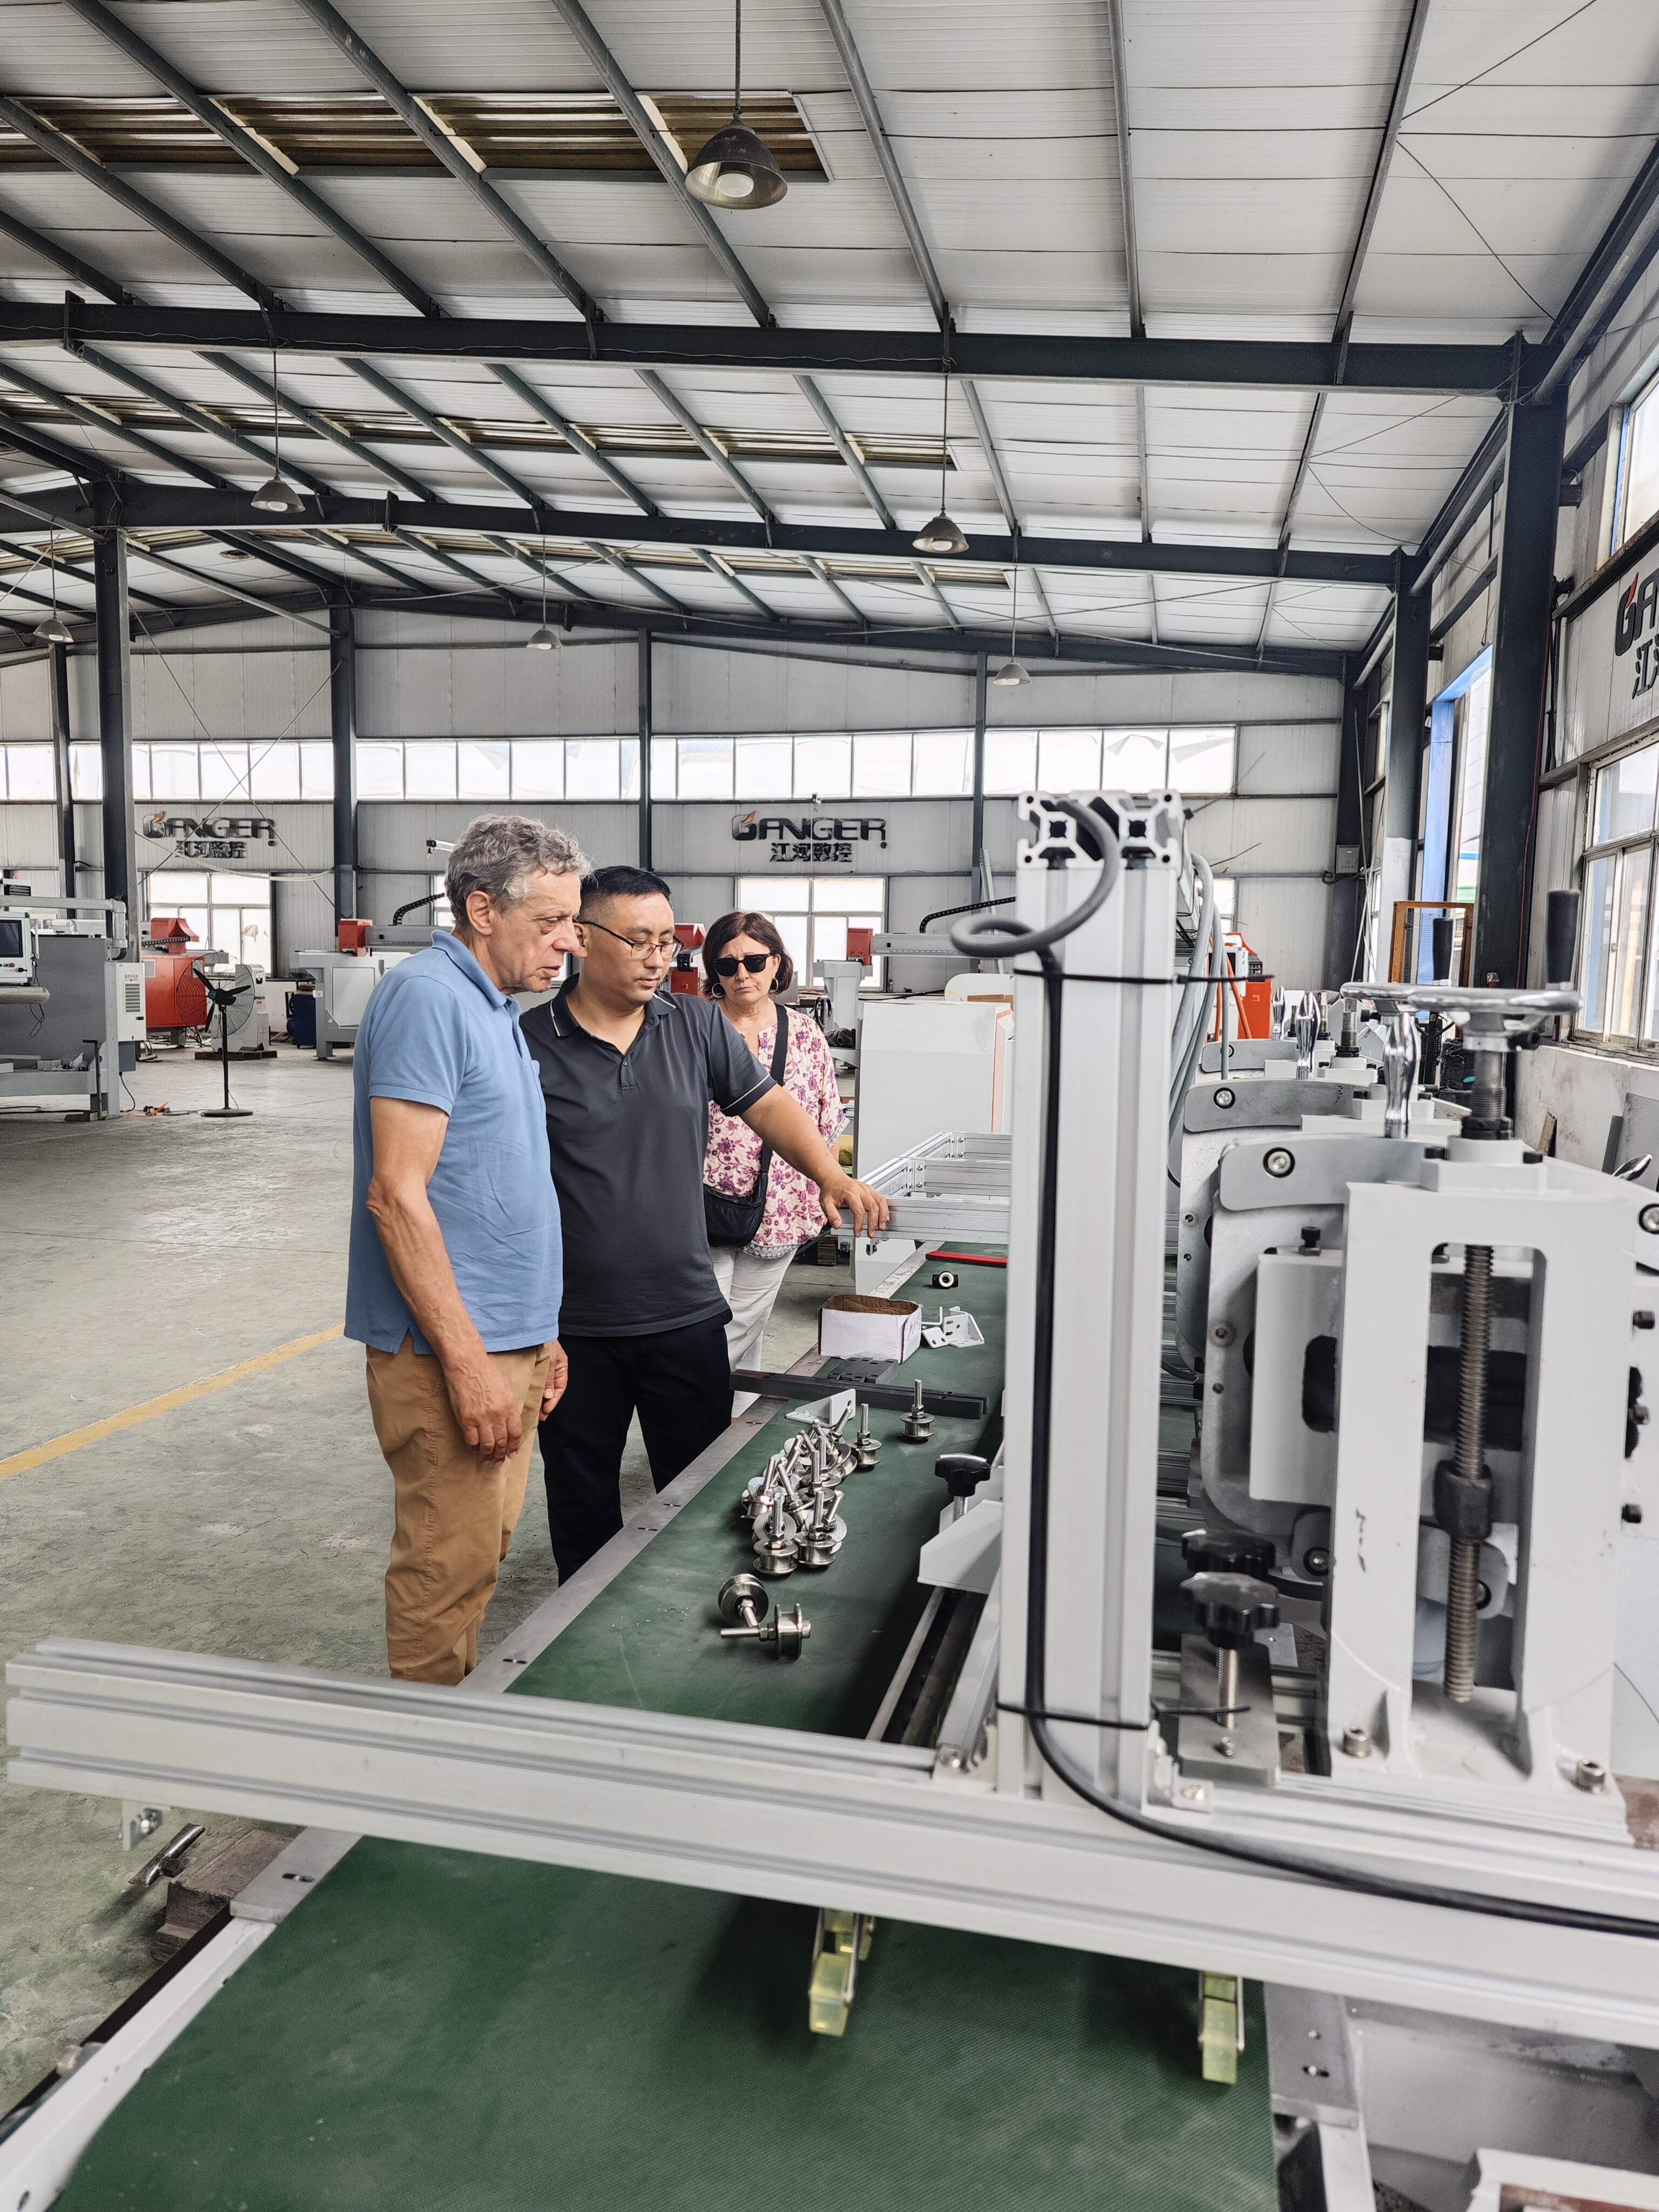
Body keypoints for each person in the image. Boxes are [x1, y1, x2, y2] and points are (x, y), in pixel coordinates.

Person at [522, 865, 890, 1582]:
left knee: (700, 1501)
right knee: (582, 1506)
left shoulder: (695, 1026)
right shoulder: (529, 1044)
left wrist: (831, 1174)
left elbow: (771, 1105)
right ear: (583, 939)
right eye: (639, 941)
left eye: (669, 941)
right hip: (574, 1330)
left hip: (684, 1314)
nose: (659, 957)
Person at [347, 815, 586, 1684]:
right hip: (454, 1350)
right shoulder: (429, 998)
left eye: (573, 922)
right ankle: (415, 1775)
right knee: (445, 1570)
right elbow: (398, 1197)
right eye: (551, 923)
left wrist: (538, 1332)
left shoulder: (496, 1009)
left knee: (480, 1556)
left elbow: (494, 1187)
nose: (571, 944)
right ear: (482, 909)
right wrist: (472, 1363)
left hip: (505, 1337)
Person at [702, 908, 846, 1380]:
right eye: (727, 965)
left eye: (755, 962)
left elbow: (826, 1121)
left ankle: (728, 1433)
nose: (742, 974)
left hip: (780, 1207)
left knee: (750, 1324)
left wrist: (828, 1180)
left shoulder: (805, 1034)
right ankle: (694, 1412)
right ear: (713, 972)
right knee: (708, 1325)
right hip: (702, 1205)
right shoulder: (694, 1029)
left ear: (778, 964)